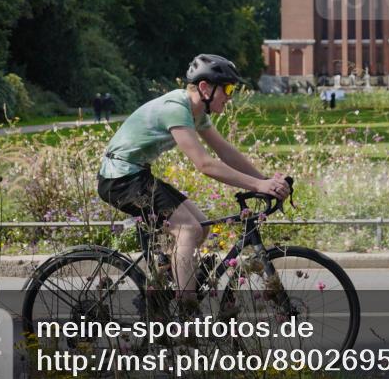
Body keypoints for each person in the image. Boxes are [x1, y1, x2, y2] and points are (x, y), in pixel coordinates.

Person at [97, 54, 290, 307]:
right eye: (228, 89)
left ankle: (161, 290)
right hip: (119, 178)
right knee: (187, 229)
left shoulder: (196, 111)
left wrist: (264, 180)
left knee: (202, 226)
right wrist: (258, 185)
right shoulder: (176, 108)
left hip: (136, 174)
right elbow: (204, 164)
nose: (230, 96)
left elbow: (225, 151)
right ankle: (185, 311)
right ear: (205, 88)